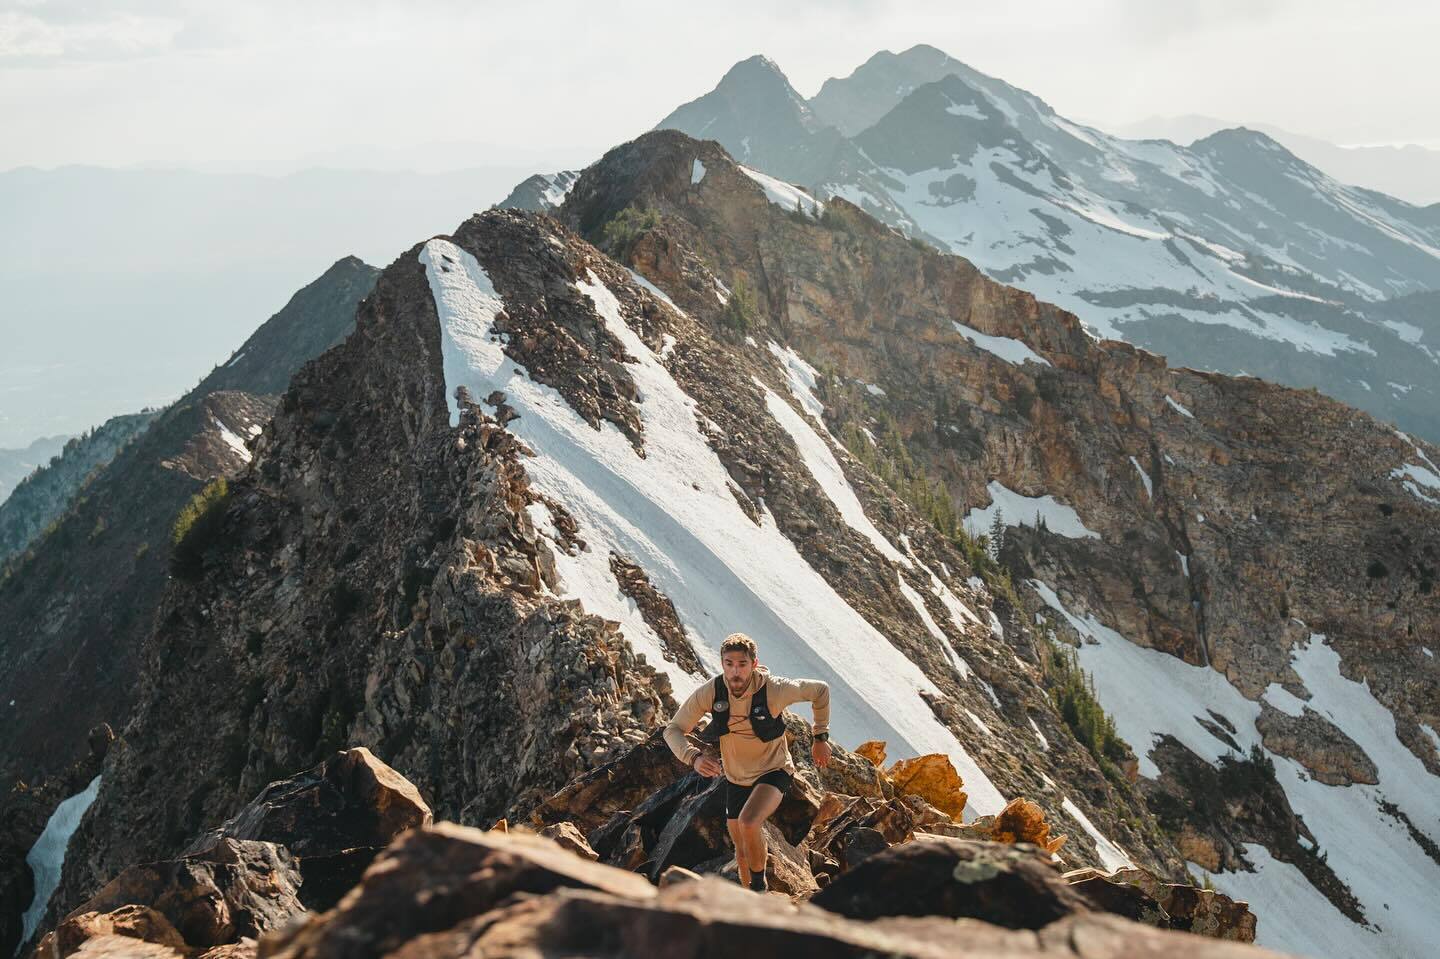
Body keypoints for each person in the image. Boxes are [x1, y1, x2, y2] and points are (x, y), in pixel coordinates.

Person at [663, 632, 831, 892]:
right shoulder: (712, 692)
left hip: (773, 771)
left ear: (754, 664)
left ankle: (759, 887)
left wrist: (820, 737)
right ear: (722, 664)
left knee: (749, 821)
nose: (735, 672)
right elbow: (673, 729)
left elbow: (820, 690)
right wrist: (693, 757)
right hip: (736, 778)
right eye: (729, 664)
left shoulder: (774, 689)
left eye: (742, 665)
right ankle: (751, 900)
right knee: (741, 850)